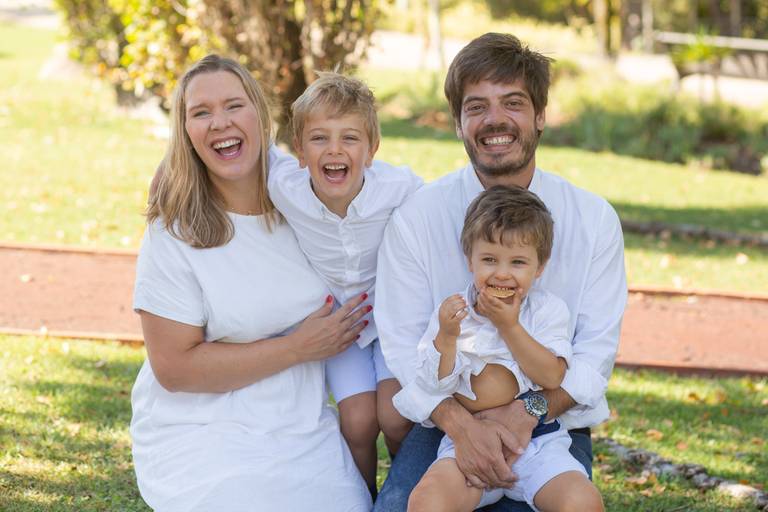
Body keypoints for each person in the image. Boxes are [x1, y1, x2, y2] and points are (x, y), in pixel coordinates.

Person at [374, 32, 627, 511]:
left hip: (551, 427)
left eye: (512, 103)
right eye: (476, 107)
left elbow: (593, 358)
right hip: (449, 424)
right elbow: (405, 349)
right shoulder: (417, 218)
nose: (495, 120)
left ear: (540, 116)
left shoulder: (592, 220)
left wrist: (528, 412)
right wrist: (464, 427)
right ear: (458, 123)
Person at [131, 54, 373, 511]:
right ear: (186, 133)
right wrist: (298, 348)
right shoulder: (176, 230)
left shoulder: (308, 196)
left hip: (299, 424)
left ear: (260, 115)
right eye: (201, 113)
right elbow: (174, 369)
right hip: (202, 427)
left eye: (233, 106)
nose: (219, 122)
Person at [395, 186, 604, 512]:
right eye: (489, 260)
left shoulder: (547, 311)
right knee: (426, 501)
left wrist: (510, 326)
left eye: (518, 262)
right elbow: (434, 383)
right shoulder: (452, 312)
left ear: (539, 267)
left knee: (582, 502)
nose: (502, 273)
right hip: (468, 440)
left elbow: (552, 376)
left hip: (538, 441)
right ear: (470, 260)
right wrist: (446, 339)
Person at [267, 72, 420, 497]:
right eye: (319, 138)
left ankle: (404, 495)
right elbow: (242, 152)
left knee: (395, 416)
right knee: (356, 421)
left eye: (350, 138)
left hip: (393, 321)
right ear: (299, 151)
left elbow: (444, 213)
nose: (335, 150)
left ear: (371, 149)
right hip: (341, 328)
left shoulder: (400, 188)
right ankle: (363, 500)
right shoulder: (284, 186)